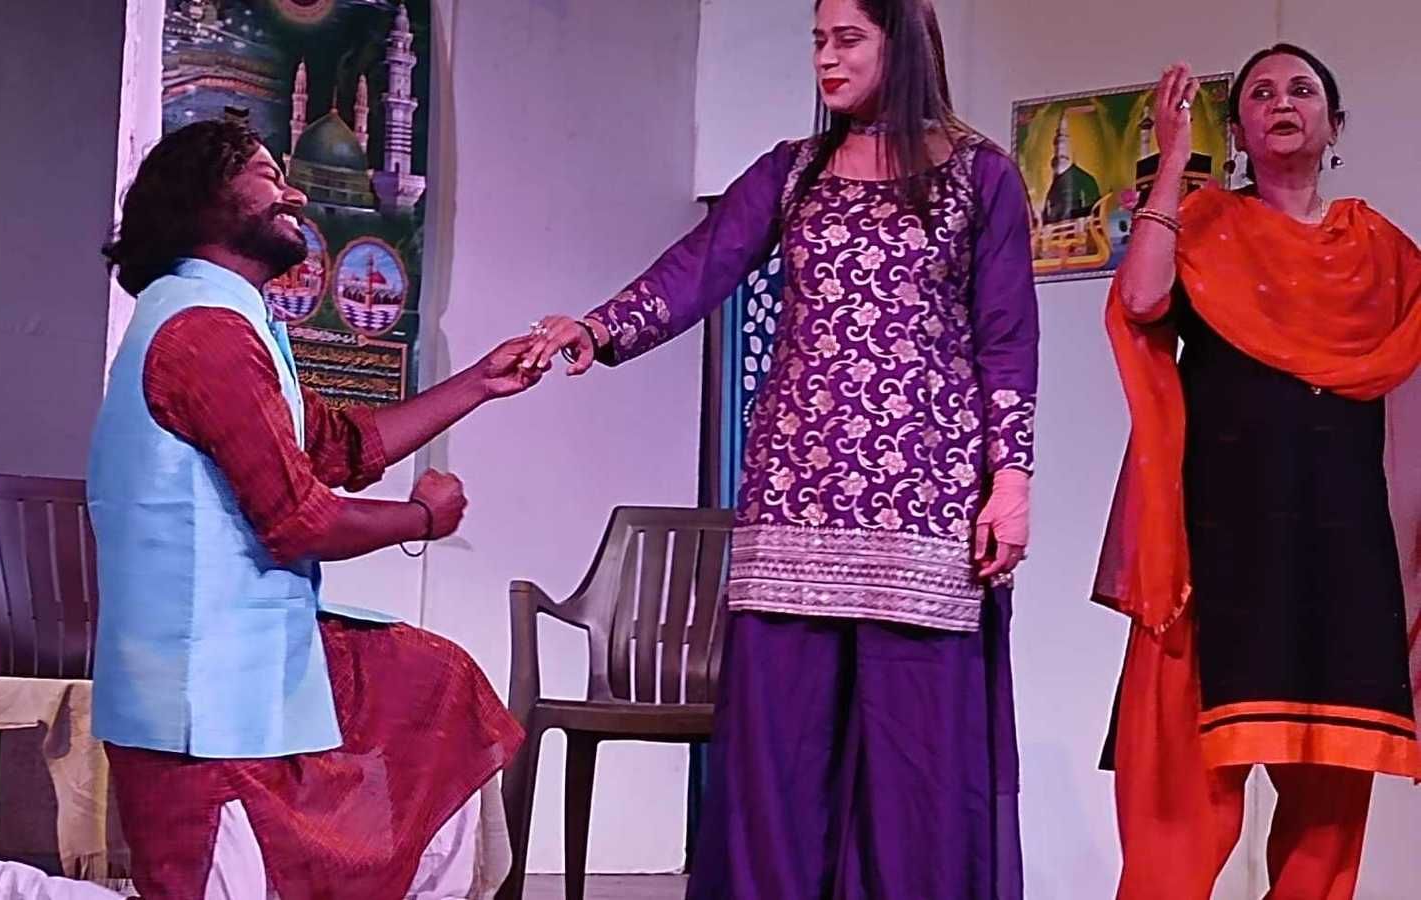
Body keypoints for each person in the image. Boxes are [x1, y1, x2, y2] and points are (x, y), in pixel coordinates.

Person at [522, 0, 1038, 896]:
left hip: (925, 516)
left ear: (902, 44)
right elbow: (699, 266)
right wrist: (599, 329)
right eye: (818, 41)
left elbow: (1007, 338)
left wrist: (1012, 481)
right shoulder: (794, 173)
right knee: (779, 764)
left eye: (848, 40)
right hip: (795, 501)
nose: (826, 60)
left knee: (917, 769)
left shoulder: (979, 175)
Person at [89, 119, 531, 898]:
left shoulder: (230, 322)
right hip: (202, 700)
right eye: (267, 175)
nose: (292, 193)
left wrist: (480, 384)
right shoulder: (204, 335)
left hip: (238, 677)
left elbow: (339, 447)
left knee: (436, 681)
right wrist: (423, 520)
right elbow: (298, 519)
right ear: (203, 200)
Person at [1097, 47, 1421, 899]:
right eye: (1261, 94)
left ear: (1334, 125)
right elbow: (1139, 301)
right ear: (1237, 133)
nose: (1283, 103)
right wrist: (1173, 164)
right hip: (1215, 549)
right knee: (1181, 813)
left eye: (1302, 91)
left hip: (1341, 556)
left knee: (1327, 822)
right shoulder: (1205, 225)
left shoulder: (1383, 255)